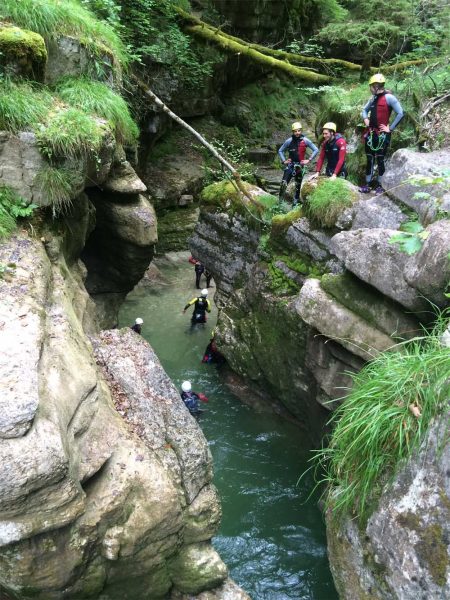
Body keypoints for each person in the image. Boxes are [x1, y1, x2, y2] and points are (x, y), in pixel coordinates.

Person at [359, 73, 404, 195]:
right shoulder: (373, 98)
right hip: (371, 134)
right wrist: (365, 119)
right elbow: (364, 110)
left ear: (376, 86)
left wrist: (390, 128)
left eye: (371, 86)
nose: (370, 89)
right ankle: (367, 184)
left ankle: (380, 185)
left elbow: (401, 113)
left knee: (380, 159)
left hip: (382, 135)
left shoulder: (389, 98)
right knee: (369, 159)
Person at [278, 121, 319, 205]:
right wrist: (284, 161)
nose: (297, 133)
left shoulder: (306, 140)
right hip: (290, 165)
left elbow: (316, 149)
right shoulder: (289, 141)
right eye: (295, 131)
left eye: (299, 130)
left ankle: (295, 203)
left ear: (301, 131)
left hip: (300, 167)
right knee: (284, 183)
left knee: (298, 185)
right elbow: (280, 150)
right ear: (293, 132)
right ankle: (279, 202)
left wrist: (309, 159)